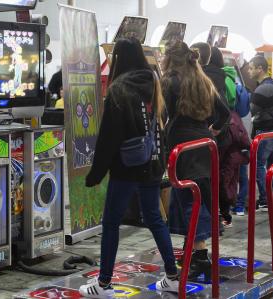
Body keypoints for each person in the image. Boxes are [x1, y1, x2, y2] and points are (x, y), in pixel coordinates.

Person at [79, 38, 178, 298]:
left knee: (111, 223)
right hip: (154, 162)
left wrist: (96, 173)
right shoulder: (154, 81)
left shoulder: (118, 89)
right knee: (156, 219)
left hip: (127, 166)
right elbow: (161, 122)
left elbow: (109, 138)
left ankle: (103, 284)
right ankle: (172, 275)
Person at [162, 41, 230, 281]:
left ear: (169, 58)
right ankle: (192, 251)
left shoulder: (169, 81)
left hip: (181, 146)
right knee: (198, 196)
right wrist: (213, 131)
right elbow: (225, 114)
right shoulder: (204, 81)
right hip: (204, 144)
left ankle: (200, 257)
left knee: (188, 201)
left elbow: (165, 115)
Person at [248, 55, 273, 211]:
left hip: (265, 131)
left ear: (260, 69)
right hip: (269, 131)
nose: (249, 71)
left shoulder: (263, 88)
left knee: (259, 165)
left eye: (251, 68)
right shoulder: (268, 85)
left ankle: (265, 199)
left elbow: (252, 110)